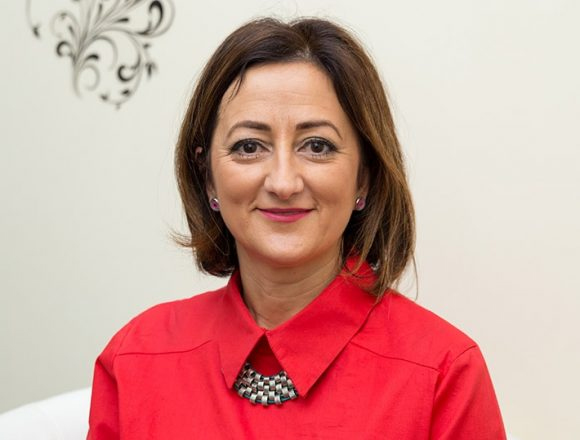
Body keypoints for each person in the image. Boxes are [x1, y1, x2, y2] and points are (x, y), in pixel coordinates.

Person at [87, 17, 506, 439]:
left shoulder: (444, 373)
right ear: (208, 177)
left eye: (317, 146)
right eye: (249, 146)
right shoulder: (134, 359)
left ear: (363, 177)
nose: (283, 183)